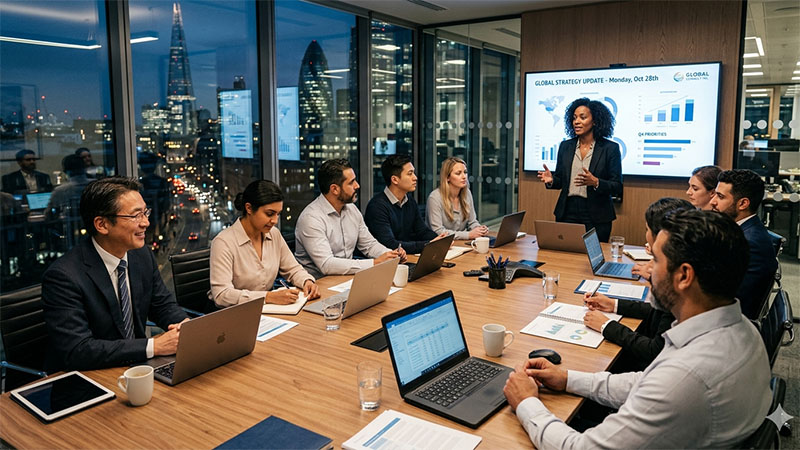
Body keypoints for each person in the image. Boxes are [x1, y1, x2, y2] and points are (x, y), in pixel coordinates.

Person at [504, 209, 771, 448]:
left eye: (654, 260)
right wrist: (568, 379)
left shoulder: (686, 378)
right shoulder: (741, 329)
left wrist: (527, 403)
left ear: (684, 276)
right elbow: (646, 383)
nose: (647, 272)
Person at [42, 177, 189, 371]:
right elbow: (79, 350)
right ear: (102, 224)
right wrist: (155, 346)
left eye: (145, 212)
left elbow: (162, 304)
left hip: (138, 368)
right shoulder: (64, 277)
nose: (145, 222)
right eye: (136, 216)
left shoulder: (141, 255)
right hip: (91, 380)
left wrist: (186, 328)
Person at [583, 197, 692, 372]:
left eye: (646, 229)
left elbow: (654, 350)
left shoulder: (677, 278)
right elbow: (660, 312)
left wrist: (606, 326)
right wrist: (614, 304)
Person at [210, 180, 319, 308]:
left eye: (278, 214)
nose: (275, 221)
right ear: (249, 208)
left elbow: (293, 269)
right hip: (234, 315)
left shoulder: (274, 234)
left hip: (267, 311)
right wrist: (267, 297)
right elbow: (221, 295)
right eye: (269, 214)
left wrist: (307, 281)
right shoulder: (223, 242)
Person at [295, 159, 404, 279]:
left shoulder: (351, 209)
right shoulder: (311, 218)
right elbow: (327, 264)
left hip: (347, 279)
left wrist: (390, 254)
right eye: (351, 182)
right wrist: (375, 263)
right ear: (335, 189)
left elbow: (369, 245)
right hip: (318, 285)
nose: (357, 186)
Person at [537, 98, 622, 242]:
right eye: (574, 118)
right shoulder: (565, 146)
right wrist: (552, 180)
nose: (576, 121)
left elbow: (617, 187)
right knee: (566, 255)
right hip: (567, 211)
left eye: (583, 117)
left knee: (593, 259)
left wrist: (596, 182)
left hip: (596, 214)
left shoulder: (610, 149)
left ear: (595, 121)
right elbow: (561, 181)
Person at [711, 169, 777, 319]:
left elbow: (723, 296)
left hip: (727, 322)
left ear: (742, 204)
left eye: (720, 196)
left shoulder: (749, 243)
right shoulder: (743, 229)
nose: (712, 201)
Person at [365, 154, 447, 254]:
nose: (415, 178)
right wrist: (429, 244)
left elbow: (422, 231)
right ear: (395, 179)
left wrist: (440, 240)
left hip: (406, 257)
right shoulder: (377, 206)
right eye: (410, 174)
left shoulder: (410, 201)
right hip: (387, 262)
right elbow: (389, 244)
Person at [426, 157, 488, 240]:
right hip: (441, 246)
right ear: (447, 178)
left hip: (461, 244)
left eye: (465, 172)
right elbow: (438, 231)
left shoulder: (467, 193)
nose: (464, 177)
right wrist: (468, 235)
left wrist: (479, 229)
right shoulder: (435, 198)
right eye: (458, 173)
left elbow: (472, 222)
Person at [46, 154, 89, 220]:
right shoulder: (96, 185)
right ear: (85, 167)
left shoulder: (59, 190)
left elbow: (48, 214)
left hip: (69, 227)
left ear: (65, 171)